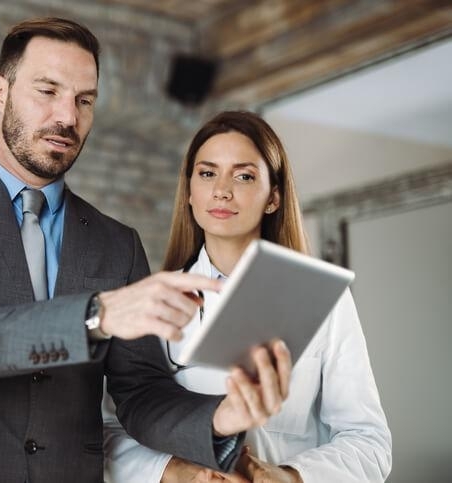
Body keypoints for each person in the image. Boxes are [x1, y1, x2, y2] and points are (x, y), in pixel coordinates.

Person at [0, 17, 293, 483]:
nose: (67, 117)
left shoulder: (118, 243)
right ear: (0, 92)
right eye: (47, 91)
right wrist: (97, 316)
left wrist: (219, 418)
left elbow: (140, 391)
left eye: (84, 100)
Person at [103, 110, 393, 482]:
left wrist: (289, 477)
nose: (222, 189)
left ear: (273, 197)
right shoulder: (152, 299)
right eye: (208, 173)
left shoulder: (323, 299)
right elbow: (109, 428)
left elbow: (368, 440)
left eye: (244, 176)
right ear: (190, 192)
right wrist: (173, 472)